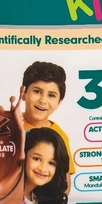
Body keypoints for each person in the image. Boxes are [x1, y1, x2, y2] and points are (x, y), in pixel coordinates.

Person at [5, 127, 69, 204]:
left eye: (51, 163)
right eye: (37, 159)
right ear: (23, 155)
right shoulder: (4, 186)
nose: (43, 168)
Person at [20, 61, 76, 189]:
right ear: (23, 93)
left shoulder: (59, 136)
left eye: (51, 95)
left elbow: (65, 186)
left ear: (59, 102)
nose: (43, 100)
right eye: (37, 91)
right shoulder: (8, 123)